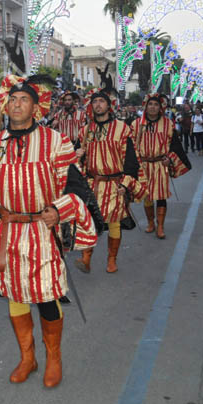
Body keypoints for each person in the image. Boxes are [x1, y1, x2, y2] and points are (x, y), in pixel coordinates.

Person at [0, 74, 96, 388]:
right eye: (12, 99)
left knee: (47, 297)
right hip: (8, 230)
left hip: (41, 230)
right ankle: (28, 357)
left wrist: (59, 210)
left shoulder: (55, 141)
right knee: (15, 293)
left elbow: (76, 186)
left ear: (36, 106)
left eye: (24, 99)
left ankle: (54, 358)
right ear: (4, 106)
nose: (17, 104)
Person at [76, 92, 144, 273]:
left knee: (114, 222)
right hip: (92, 183)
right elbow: (78, 163)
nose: (98, 105)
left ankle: (112, 259)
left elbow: (130, 160)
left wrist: (125, 184)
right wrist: (78, 156)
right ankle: (86, 258)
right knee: (87, 221)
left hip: (114, 184)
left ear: (109, 105)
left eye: (101, 101)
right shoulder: (84, 131)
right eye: (95, 102)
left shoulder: (122, 129)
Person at [131, 95, 191, 239]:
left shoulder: (168, 124)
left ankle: (161, 226)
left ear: (160, 107)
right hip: (143, 165)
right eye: (150, 104)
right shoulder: (136, 124)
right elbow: (130, 146)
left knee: (161, 196)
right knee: (147, 196)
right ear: (146, 106)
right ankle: (151, 222)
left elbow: (175, 145)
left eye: (155, 105)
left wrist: (170, 159)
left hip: (160, 165)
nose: (152, 107)